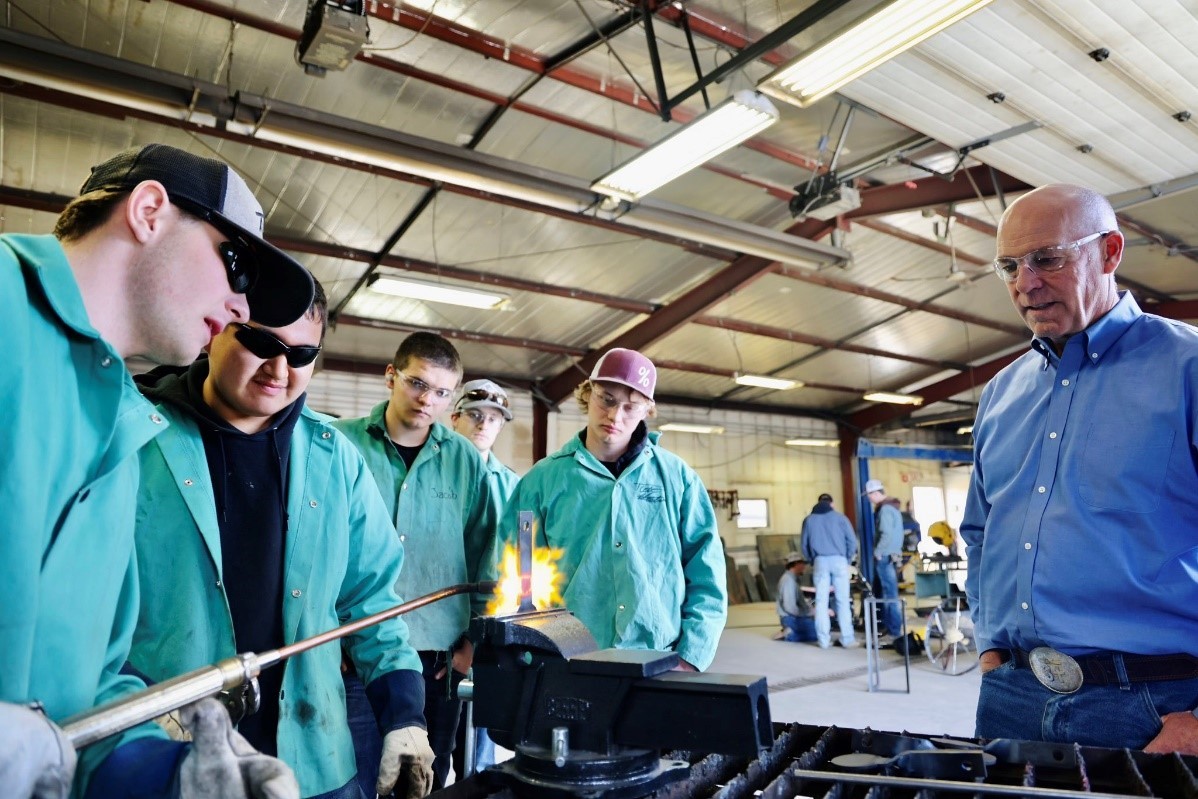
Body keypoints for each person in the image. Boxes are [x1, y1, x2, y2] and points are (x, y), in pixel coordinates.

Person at [1, 142, 314, 798]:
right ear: (148, 211)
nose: (242, 307)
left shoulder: (127, 427)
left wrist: (169, 772)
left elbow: (93, 685)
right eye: (236, 265)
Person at [128, 281, 434, 799]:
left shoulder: (336, 460)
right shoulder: (135, 439)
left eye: (302, 353)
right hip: (170, 757)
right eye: (261, 343)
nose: (279, 369)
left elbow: (372, 602)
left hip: (313, 761)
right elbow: (82, 605)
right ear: (215, 329)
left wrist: (405, 717)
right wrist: (135, 707)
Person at [962, 183, 1198, 754]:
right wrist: (992, 643)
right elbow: (979, 533)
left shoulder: (1187, 370)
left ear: (1111, 252)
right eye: (1010, 266)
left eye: (1047, 258)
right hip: (1011, 697)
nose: (1026, 283)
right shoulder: (1000, 395)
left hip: (1153, 705)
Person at [333, 333, 497, 792]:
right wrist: (332, 638)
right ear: (391, 376)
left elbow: (485, 549)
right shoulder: (340, 446)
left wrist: (473, 641)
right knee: (354, 774)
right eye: (417, 384)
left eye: (443, 392)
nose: (428, 400)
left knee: (425, 779)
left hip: (439, 655)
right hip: (355, 649)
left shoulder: (464, 459)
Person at [503, 348, 727, 671]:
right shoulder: (542, 481)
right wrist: (538, 651)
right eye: (606, 399)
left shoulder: (679, 480)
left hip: (659, 661)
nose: (615, 416)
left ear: (647, 410)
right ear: (587, 393)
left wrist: (691, 657)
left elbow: (708, 575)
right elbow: (516, 572)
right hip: (570, 661)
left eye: (630, 407)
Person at [448, 379, 518, 780]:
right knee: (428, 745)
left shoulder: (511, 485)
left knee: (480, 752)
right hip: (430, 627)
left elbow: (505, 569)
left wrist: (478, 637)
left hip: (486, 630)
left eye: (493, 419)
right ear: (455, 417)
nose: (483, 424)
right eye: (475, 415)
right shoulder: (434, 476)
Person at [800, 493, 859, 649]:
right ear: (831, 504)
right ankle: (847, 639)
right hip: (839, 560)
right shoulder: (840, 518)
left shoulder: (809, 520)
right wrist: (846, 559)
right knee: (843, 601)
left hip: (819, 561)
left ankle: (824, 641)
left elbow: (804, 546)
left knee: (821, 602)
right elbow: (852, 541)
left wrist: (813, 560)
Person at [864, 479, 904, 642]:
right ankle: (889, 627)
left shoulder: (885, 510)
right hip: (891, 556)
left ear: (875, 494)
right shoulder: (891, 508)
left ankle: (894, 630)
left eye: (869, 496)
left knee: (889, 596)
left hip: (885, 557)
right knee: (886, 593)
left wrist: (878, 552)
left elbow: (886, 533)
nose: (869, 499)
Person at [774, 553, 818, 643]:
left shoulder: (793, 579)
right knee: (818, 633)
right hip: (790, 618)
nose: (804, 567)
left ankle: (791, 631)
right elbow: (789, 607)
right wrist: (808, 613)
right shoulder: (788, 581)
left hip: (793, 617)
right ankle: (790, 634)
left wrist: (809, 607)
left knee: (818, 628)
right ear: (796, 564)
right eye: (803, 564)